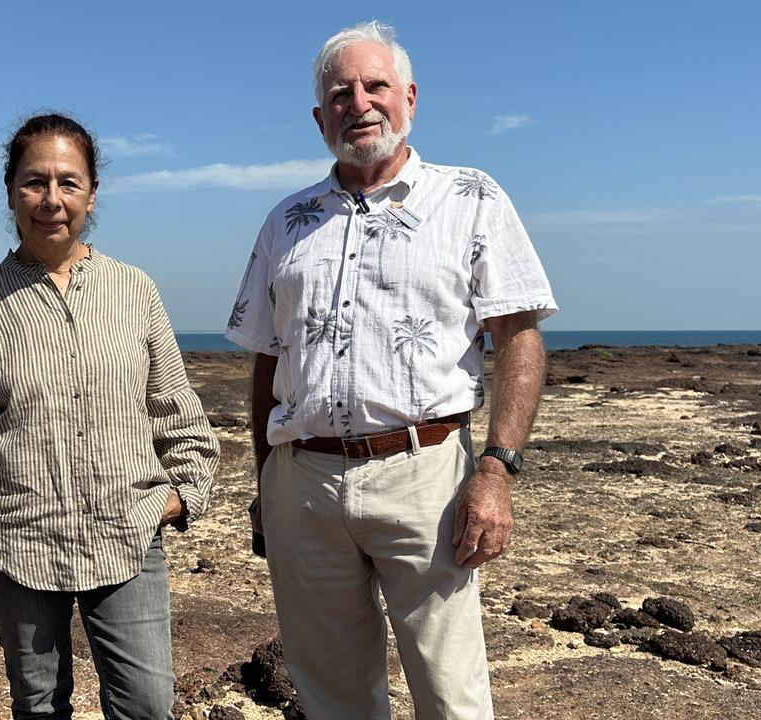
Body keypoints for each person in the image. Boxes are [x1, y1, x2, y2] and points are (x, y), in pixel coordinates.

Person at [225, 21, 557, 720]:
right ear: (320, 118)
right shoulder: (285, 221)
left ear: (409, 97)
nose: (360, 103)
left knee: (451, 691)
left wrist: (496, 471)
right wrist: (265, 483)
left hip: (426, 474)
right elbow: (268, 358)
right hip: (303, 484)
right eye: (341, 93)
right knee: (330, 693)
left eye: (375, 85)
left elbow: (517, 335)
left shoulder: (471, 197)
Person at [0, 113, 219, 720]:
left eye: (69, 183)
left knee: (147, 703)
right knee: (39, 705)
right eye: (35, 182)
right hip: (17, 547)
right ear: (10, 191)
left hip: (126, 541)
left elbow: (177, 412)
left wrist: (180, 497)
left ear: (92, 193)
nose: (51, 201)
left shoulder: (134, 290)